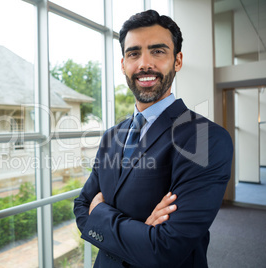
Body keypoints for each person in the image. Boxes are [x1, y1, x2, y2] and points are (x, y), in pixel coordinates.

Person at [73, 9, 233, 268]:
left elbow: (164, 248)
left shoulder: (205, 138)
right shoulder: (111, 137)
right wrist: (142, 230)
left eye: (158, 51)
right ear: (123, 64)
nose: (144, 63)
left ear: (177, 61)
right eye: (133, 53)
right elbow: (81, 207)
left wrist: (100, 213)